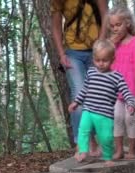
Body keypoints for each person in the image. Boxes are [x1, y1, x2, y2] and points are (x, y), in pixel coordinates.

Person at [51, 0, 108, 157]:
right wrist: (61, 53)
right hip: (72, 52)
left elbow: (105, 15)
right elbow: (55, 26)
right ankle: (81, 143)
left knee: (96, 96)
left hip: (96, 52)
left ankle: (93, 141)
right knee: (79, 95)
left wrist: (101, 46)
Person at [68, 40, 135, 166]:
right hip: (88, 110)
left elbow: (126, 92)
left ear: (112, 59)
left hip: (105, 115)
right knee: (83, 130)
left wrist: (130, 103)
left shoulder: (117, 77)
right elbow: (84, 89)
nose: (101, 64)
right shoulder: (91, 72)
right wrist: (76, 102)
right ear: (93, 58)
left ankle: (107, 157)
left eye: (105, 60)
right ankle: (83, 151)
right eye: (97, 60)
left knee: (106, 137)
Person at [107, 6, 135, 160]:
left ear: (128, 24)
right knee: (117, 117)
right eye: (112, 26)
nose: (115, 29)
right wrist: (110, 43)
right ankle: (118, 151)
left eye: (119, 25)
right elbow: (102, 58)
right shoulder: (113, 44)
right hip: (116, 90)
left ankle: (132, 150)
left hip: (132, 88)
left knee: (129, 118)